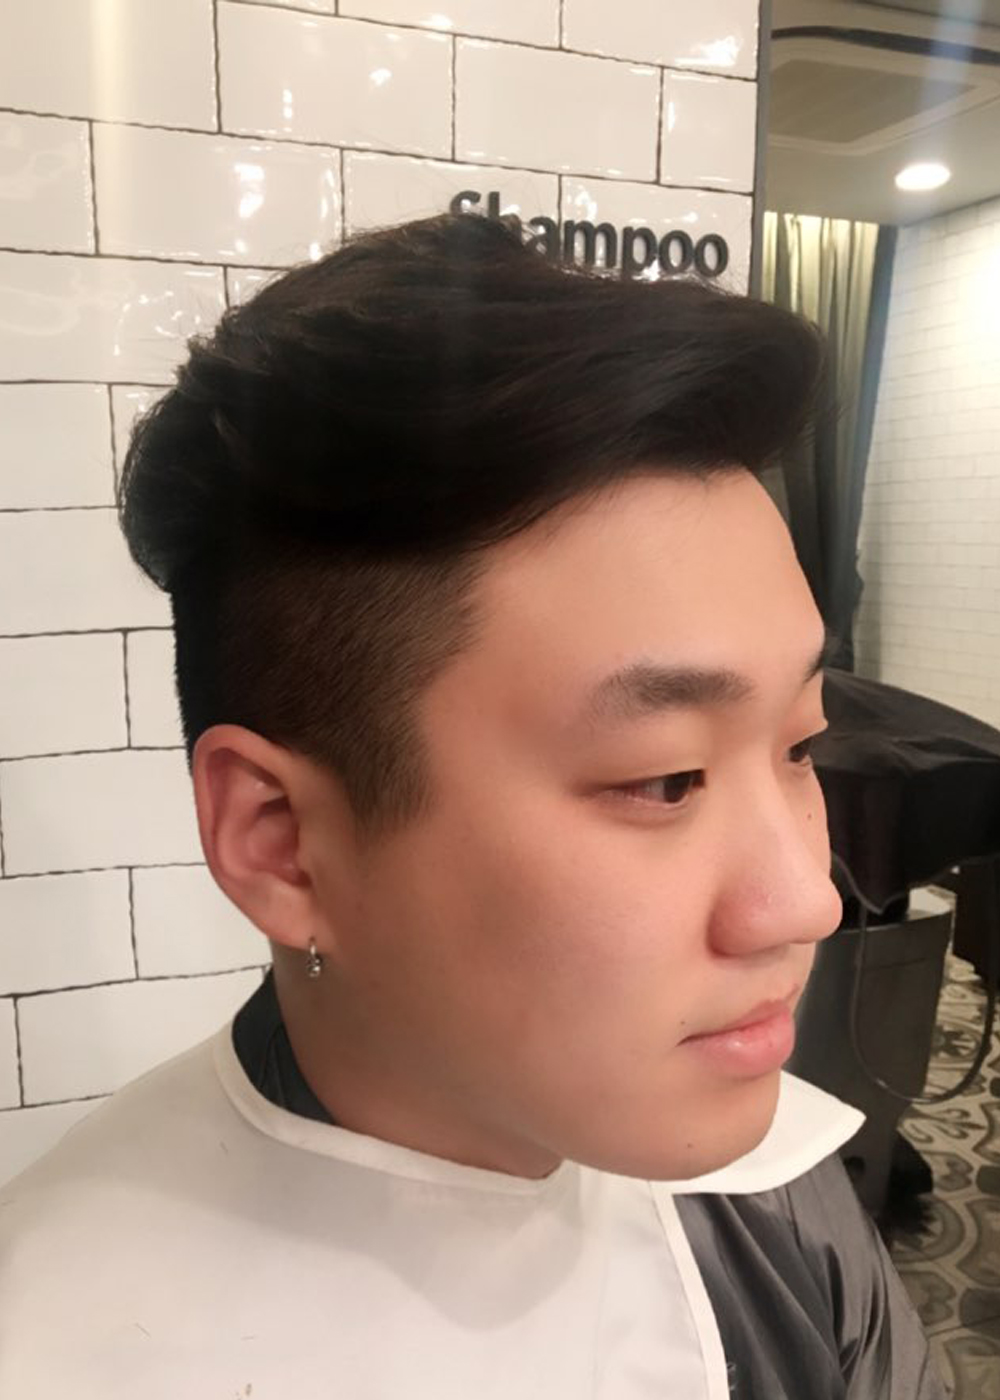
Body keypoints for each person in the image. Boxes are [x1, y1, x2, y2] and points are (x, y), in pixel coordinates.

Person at [0, 214, 945, 1398]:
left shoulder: (777, 1207)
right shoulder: (56, 1340)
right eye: (664, 778)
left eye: (800, 743)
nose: (807, 900)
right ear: (282, 846)